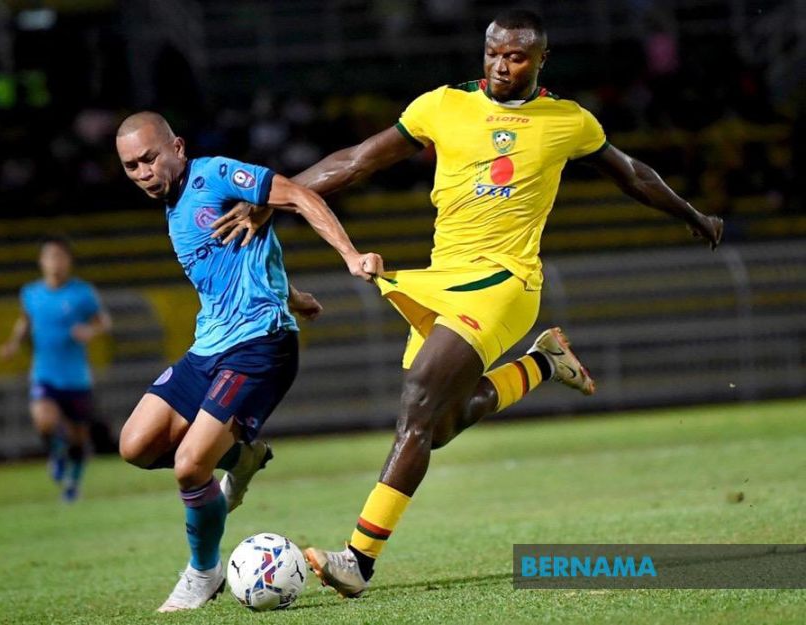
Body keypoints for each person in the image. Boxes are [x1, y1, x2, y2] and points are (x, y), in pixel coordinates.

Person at [211, 9, 724, 598]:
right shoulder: (441, 105)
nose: (502, 67)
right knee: (438, 424)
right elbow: (356, 160)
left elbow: (631, 174)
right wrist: (272, 199)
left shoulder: (567, 120)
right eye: (493, 54)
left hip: (507, 282)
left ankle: (358, 560)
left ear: (540, 60)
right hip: (443, 278)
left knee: (418, 405)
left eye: (516, 57)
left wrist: (691, 214)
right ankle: (544, 364)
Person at [114, 111, 382, 612]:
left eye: (149, 158)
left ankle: (203, 570)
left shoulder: (213, 174)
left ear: (177, 145)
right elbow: (237, 266)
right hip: (208, 348)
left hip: (261, 346)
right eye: (131, 166)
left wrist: (348, 255)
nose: (143, 172)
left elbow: (299, 195)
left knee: (191, 466)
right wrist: (295, 293)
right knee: (136, 445)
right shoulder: (173, 211)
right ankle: (243, 458)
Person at [0, 236, 112, 502]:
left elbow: (104, 322)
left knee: (79, 437)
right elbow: (25, 321)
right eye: (50, 257)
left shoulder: (82, 293)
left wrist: (90, 330)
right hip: (44, 373)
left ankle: (73, 482)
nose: (55, 263)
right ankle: (56, 454)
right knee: (44, 419)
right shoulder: (31, 293)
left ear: (68, 261)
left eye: (60, 257)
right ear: (41, 262)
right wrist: (14, 343)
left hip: (76, 377)